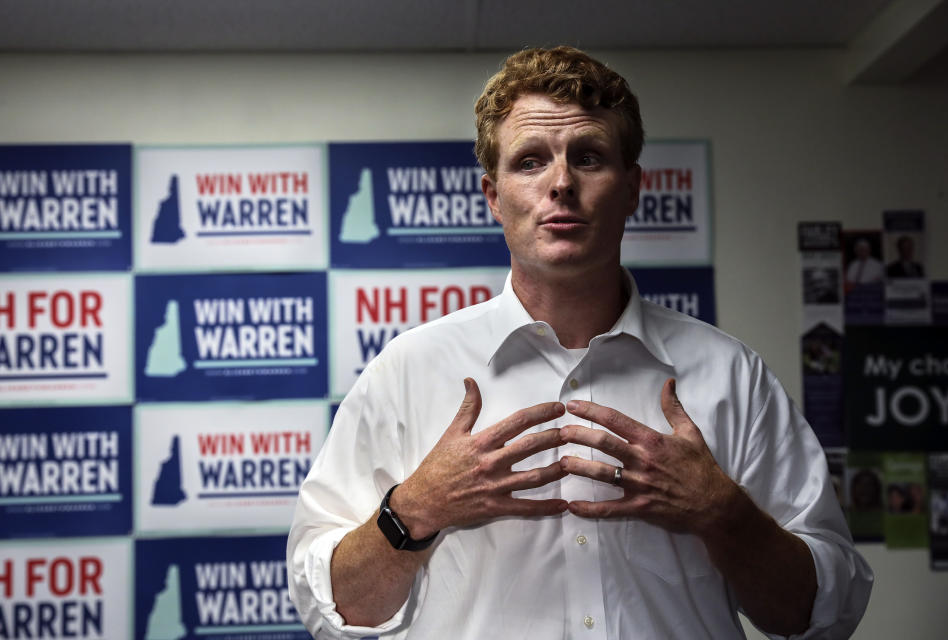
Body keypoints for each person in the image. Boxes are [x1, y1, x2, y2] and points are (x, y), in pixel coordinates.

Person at [287, 46, 872, 639]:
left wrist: (722, 513)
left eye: (589, 158)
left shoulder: (729, 374)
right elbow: (333, 609)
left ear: (633, 188)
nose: (561, 182)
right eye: (531, 162)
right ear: (493, 196)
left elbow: (822, 614)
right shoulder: (408, 371)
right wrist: (415, 509)